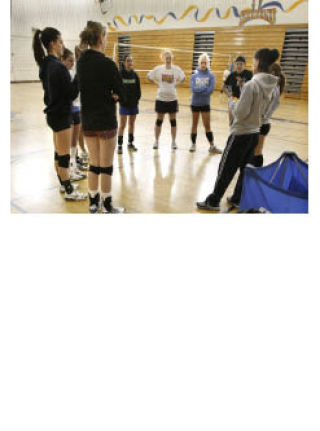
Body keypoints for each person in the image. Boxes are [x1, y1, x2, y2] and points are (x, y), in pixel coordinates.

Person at [197, 48, 280, 212]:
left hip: (241, 134)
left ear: (258, 62)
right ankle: (236, 198)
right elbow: (264, 111)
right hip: (255, 133)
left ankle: (214, 200)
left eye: (253, 61)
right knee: (244, 169)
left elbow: (240, 113)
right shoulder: (272, 86)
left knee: (226, 168)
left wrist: (231, 101)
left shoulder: (252, 85)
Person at [32, 27, 87, 201]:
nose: (63, 45)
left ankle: (64, 185)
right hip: (61, 114)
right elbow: (71, 94)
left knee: (58, 152)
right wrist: (78, 74)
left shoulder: (45, 63)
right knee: (63, 156)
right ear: (52, 43)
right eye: (61, 42)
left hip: (53, 114)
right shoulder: (58, 67)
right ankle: (70, 191)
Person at [77, 21, 126, 214]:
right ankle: (106, 204)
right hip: (105, 120)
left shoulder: (80, 62)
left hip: (88, 121)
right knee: (106, 166)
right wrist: (114, 95)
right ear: (100, 38)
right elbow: (121, 92)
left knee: (94, 164)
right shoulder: (107, 64)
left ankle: (92, 202)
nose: (106, 40)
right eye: (105, 36)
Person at [147, 49, 185, 150]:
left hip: (172, 99)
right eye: (166, 57)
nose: (168, 59)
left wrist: (175, 84)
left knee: (173, 121)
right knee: (159, 121)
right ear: (163, 58)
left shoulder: (176, 69)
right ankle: (156, 141)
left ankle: (173, 142)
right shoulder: (159, 69)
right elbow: (149, 76)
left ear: (172, 58)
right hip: (161, 99)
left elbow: (183, 78)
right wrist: (157, 84)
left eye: (169, 57)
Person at [253, 63, 286, 167]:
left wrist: (263, 115)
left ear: (272, 73)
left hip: (262, 123)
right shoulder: (274, 87)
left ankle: (257, 171)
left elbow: (271, 105)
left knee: (257, 151)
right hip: (263, 123)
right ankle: (254, 171)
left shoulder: (272, 88)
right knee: (256, 150)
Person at [61, 48, 87, 181]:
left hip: (77, 108)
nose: (72, 63)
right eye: (69, 61)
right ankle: (69, 170)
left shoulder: (72, 72)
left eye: (73, 60)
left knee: (74, 142)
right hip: (70, 110)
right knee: (69, 143)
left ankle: (74, 166)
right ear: (63, 60)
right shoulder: (66, 74)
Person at [189, 53, 222, 154]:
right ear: (199, 63)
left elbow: (210, 90)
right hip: (195, 103)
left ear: (208, 63)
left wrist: (200, 90)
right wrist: (204, 88)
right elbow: (193, 89)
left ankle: (212, 146)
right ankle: (193, 144)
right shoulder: (194, 76)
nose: (203, 64)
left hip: (205, 104)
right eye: (202, 62)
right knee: (194, 124)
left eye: (205, 62)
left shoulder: (211, 76)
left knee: (207, 125)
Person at [117, 54, 141, 155]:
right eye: (128, 61)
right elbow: (117, 89)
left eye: (131, 61)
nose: (130, 63)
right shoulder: (120, 74)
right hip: (124, 104)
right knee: (122, 125)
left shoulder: (135, 75)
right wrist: (122, 100)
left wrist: (136, 99)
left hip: (133, 104)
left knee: (132, 124)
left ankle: (130, 143)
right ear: (124, 62)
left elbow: (138, 90)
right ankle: (120, 145)